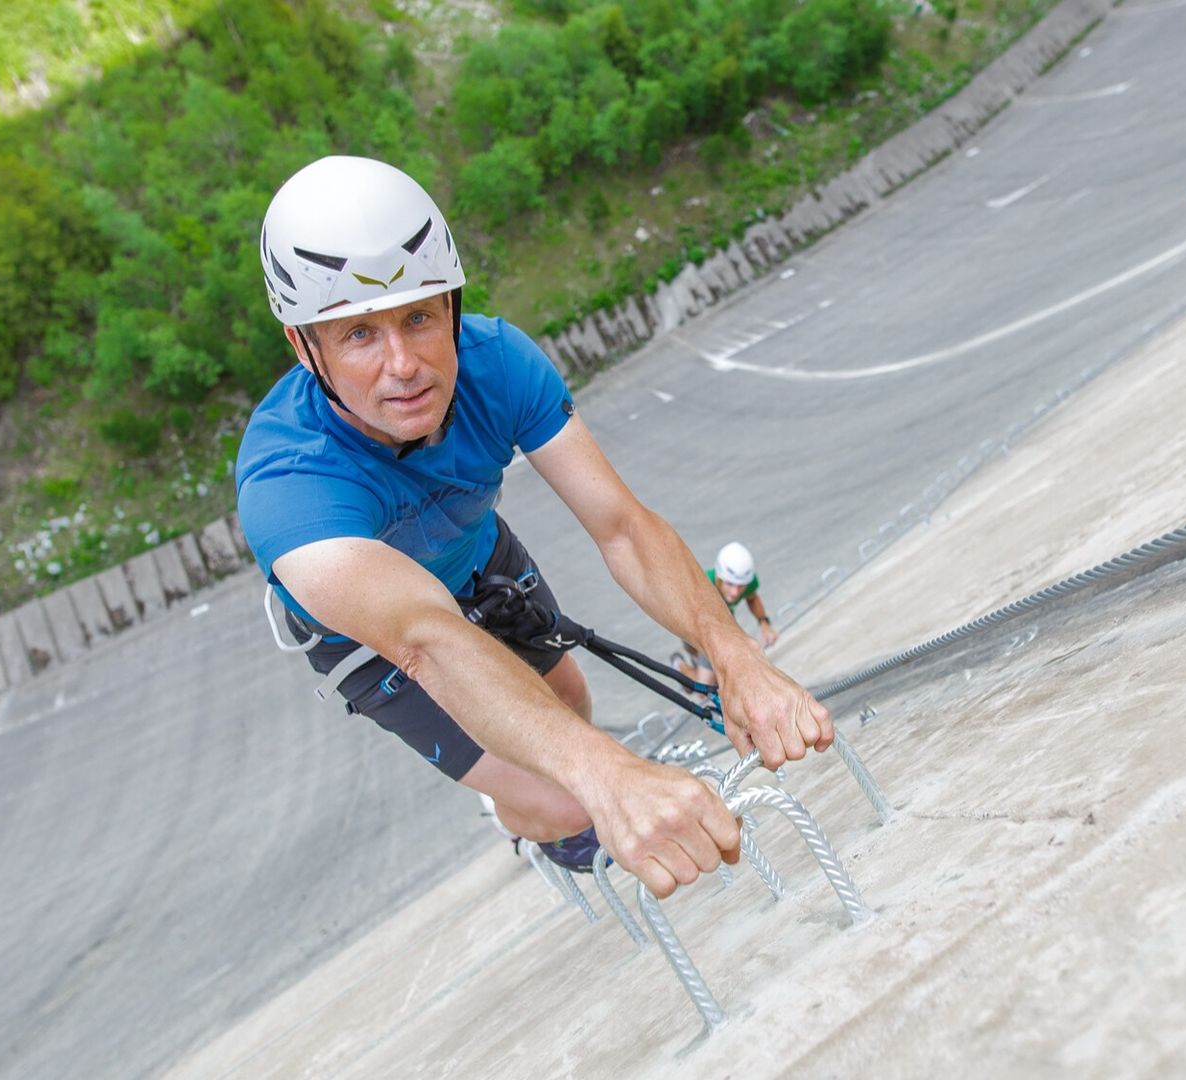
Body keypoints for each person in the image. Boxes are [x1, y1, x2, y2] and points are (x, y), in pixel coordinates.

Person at [234, 156, 833, 897]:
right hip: (376, 636)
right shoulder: (289, 484)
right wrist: (608, 776)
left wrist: (734, 656)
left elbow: (621, 526)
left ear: (452, 306)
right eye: (358, 335)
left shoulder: (496, 363)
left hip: (474, 557)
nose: (404, 365)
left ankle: (560, 772)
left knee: (571, 704)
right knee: (560, 800)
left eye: (419, 318)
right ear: (304, 348)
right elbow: (424, 641)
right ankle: (515, 812)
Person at [673, 542, 779, 689]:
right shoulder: (703, 587)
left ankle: (697, 662)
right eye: (730, 584)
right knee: (702, 688)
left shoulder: (747, 582)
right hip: (696, 626)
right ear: (719, 576)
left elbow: (752, 598)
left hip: (720, 624)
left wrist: (764, 624)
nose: (735, 592)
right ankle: (680, 664)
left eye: (740, 586)